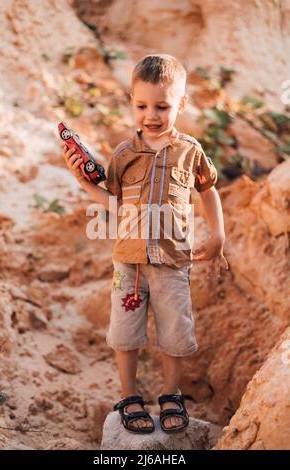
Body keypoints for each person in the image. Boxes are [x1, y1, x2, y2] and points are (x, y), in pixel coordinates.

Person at [62, 54, 228, 434]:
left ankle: (172, 394)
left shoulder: (191, 151)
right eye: (141, 105)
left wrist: (218, 234)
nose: (150, 115)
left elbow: (208, 190)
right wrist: (87, 185)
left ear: (181, 104)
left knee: (175, 332)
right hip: (129, 263)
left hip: (172, 262)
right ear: (132, 102)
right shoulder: (123, 155)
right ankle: (129, 395)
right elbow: (118, 206)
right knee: (125, 332)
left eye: (162, 106)